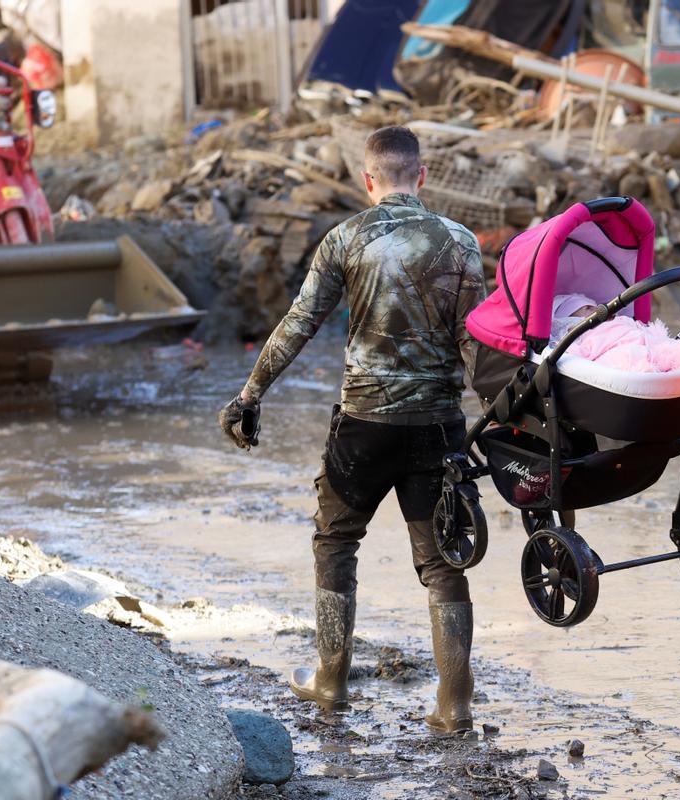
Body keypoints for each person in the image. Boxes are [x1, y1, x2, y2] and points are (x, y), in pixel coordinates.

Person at [218, 125, 485, 734]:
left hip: (364, 426)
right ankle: (454, 703)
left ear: (368, 180)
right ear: (423, 175)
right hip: (437, 428)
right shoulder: (462, 242)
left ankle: (331, 681)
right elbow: (478, 345)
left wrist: (250, 392)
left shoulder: (344, 239)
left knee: (336, 543)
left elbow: (300, 322)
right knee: (444, 563)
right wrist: (500, 417)